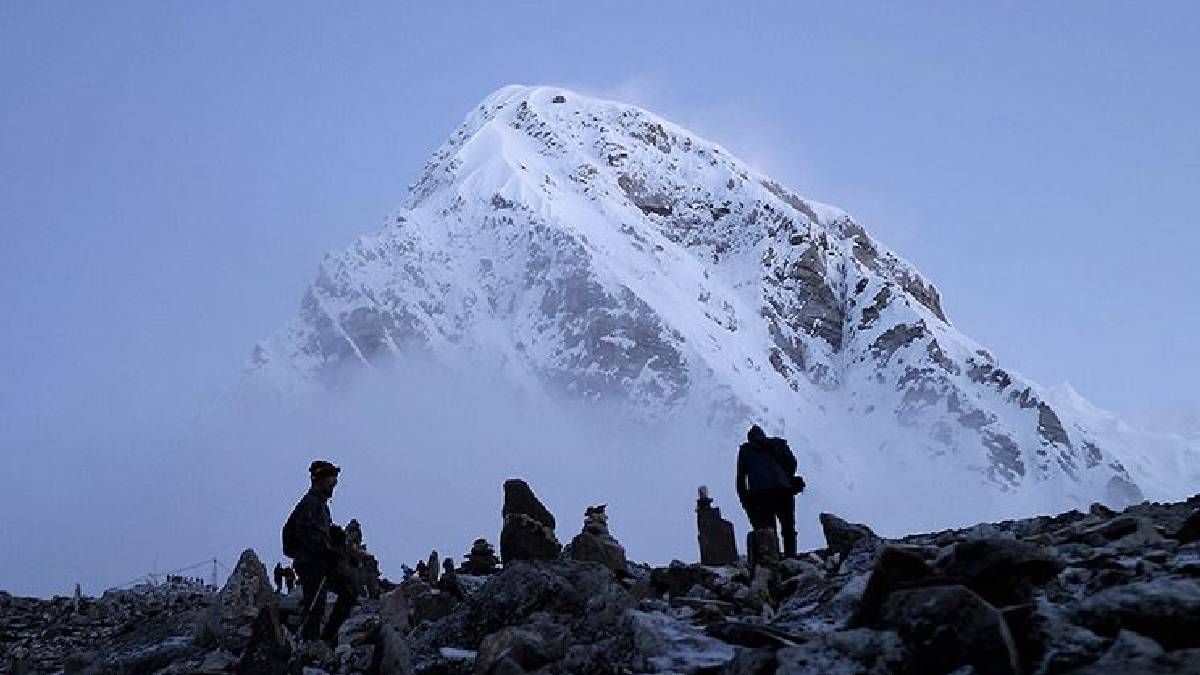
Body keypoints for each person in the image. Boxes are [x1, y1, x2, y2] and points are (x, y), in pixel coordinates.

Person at [282, 460, 358, 645]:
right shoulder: (311, 504)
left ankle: (323, 640)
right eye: (332, 479)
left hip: (318, 561)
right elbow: (309, 535)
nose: (335, 483)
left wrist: (333, 535)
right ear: (320, 480)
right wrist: (327, 551)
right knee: (316, 604)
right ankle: (311, 644)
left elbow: (317, 533)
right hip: (311, 562)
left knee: (347, 591)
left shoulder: (319, 504)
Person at [736, 424, 801, 558]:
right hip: (783, 491)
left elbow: (741, 478)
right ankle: (791, 556)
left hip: (761, 495)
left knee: (768, 529)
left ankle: (773, 558)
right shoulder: (778, 444)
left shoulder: (746, 451)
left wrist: (745, 500)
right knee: (788, 527)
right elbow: (792, 464)